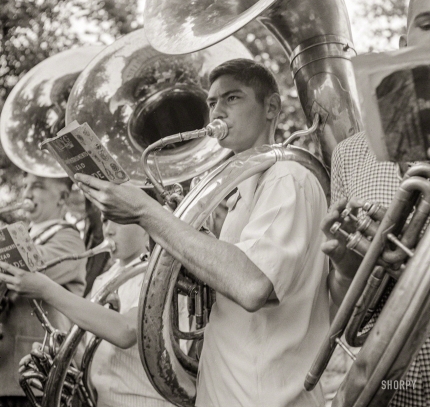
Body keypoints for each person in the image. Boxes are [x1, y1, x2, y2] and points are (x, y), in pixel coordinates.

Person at [72, 59, 330, 407]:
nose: (217, 111)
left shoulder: (287, 177)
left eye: (232, 98)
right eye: (211, 103)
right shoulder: (244, 190)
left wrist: (147, 213)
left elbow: (251, 284)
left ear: (271, 108)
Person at [322, 0, 430, 406]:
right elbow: (339, 309)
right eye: (429, 23)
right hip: (387, 383)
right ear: (405, 40)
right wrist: (346, 266)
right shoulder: (350, 154)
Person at [0, 219, 174, 407]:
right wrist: (55, 361)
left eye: (119, 221)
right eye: (105, 220)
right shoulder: (104, 279)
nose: (108, 230)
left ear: (145, 226)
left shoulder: (160, 274)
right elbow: (88, 351)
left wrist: (46, 290)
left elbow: (126, 331)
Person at [0, 174, 86, 407]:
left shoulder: (69, 239)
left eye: (37, 186)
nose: (27, 193)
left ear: (63, 197)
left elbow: (34, 264)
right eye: (25, 185)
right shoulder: (23, 235)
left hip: (37, 380)